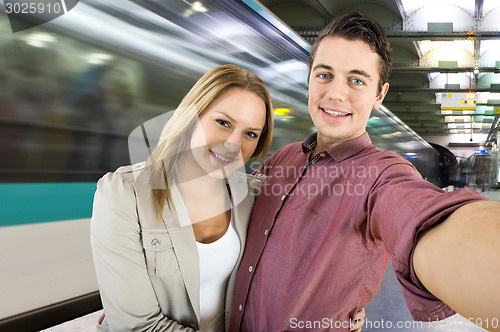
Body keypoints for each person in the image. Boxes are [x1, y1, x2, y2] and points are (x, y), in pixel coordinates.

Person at [229, 13, 500, 332]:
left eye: (357, 80)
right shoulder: (284, 158)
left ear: (379, 96)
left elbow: (422, 217)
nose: (336, 94)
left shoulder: (382, 175)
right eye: (324, 75)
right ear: (309, 82)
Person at [90, 64, 274, 331]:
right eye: (223, 122)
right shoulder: (124, 193)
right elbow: (137, 327)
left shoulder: (253, 197)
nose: (233, 144)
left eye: (250, 134)